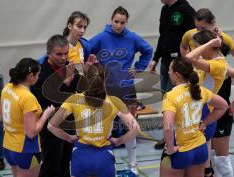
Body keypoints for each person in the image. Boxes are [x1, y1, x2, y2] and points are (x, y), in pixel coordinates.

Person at [89, 6, 153, 174]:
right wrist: (94, 68)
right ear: (111, 20)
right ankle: (108, 164)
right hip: (105, 90)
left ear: (126, 23)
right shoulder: (101, 38)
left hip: (126, 88)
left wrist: (138, 68)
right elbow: (86, 51)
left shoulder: (132, 38)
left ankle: (133, 165)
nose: (118, 25)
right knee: (106, 126)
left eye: (122, 22)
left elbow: (148, 50)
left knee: (130, 126)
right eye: (116, 21)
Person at [47, 63, 140, 177]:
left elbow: (51, 126)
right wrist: (118, 141)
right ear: (106, 79)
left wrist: (69, 138)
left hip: (80, 156)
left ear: (85, 79)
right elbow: (135, 129)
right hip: (104, 157)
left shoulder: (74, 99)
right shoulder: (115, 101)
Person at [181, 9, 234, 175]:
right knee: (204, 162)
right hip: (201, 108)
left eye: (197, 47)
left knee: (210, 161)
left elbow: (189, 58)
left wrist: (209, 43)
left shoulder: (217, 64)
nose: (197, 31)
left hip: (208, 109)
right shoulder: (209, 60)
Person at [160, 57, 227, 177]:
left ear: (176, 75)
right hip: (200, 148)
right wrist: (205, 122)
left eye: (169, 70)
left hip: (180, 150)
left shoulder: (170, 96)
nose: (168, 72)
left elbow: (168, 127)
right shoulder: (200, 90)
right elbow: (223, 106)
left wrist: (170, 148)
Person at [31, 35, 80, 177]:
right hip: (50, 127)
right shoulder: (39, 73)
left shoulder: (71, 68)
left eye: (66, 53)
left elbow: (79, 93)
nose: (63, 57)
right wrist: (65, 84)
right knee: (51, 165)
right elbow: (43, 101)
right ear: (48, 53)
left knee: (65, 163)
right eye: (59, 54)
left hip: (69, 123)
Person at [149, 0, 196, 150]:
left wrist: (188, 61)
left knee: (178, 100)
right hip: (165, 61)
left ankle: (182, 135)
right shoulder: (165, 10)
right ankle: (168, 136)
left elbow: (193, 37)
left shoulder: (185, 9)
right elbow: (163, 36)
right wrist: (155, 59)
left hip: (179, 63)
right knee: (166, 100)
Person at [0, 58, 54, 177]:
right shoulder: (28, 98)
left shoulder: (7, 87)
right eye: (38, 75)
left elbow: (0, 117)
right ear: (30, 76)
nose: (38, 77)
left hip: (8, 146)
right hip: (25, 149)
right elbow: (32, 133)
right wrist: (46, 114)